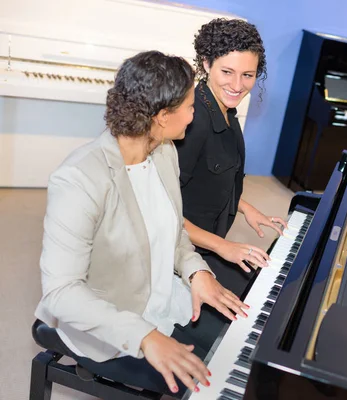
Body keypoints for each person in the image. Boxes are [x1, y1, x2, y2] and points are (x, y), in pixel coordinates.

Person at [34, 50, 248, 397]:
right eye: (190, 106)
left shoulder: (163, 151)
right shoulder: (78, 180)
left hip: (164, 298)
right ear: (163, 116)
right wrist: (144, 336)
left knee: (240, 346)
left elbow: (173, 228)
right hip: (110, 325)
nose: (195, 114)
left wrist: (197, 272)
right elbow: (60, 293)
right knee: (217, 382)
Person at [175, 18, 287, 344]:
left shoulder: (227, 111)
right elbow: (160, 212)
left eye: (248, 75)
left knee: (263, 293)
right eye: (228, 72)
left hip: (205, 243)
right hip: (179, 253)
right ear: (206, 63)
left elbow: (211, 181)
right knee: (244, 323)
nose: (238, 85)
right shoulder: (191, 123)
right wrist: (225, 247)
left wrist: (246, 208)